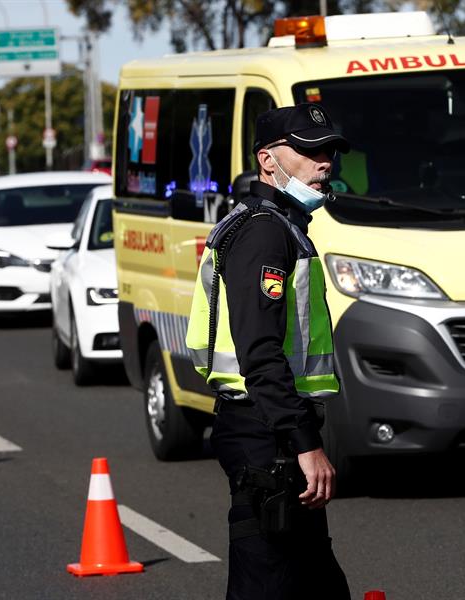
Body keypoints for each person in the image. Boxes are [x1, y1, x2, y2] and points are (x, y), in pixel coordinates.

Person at [186, 103, 351, 600]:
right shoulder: (264, 232)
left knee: (311, 583)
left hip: (271, 426)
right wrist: (306, 444)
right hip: (265, 432)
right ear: (268, 161)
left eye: (329, 152)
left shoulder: (280, 224)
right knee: (268, 585)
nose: (324, 163)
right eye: (309, 151)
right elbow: (259, 353)